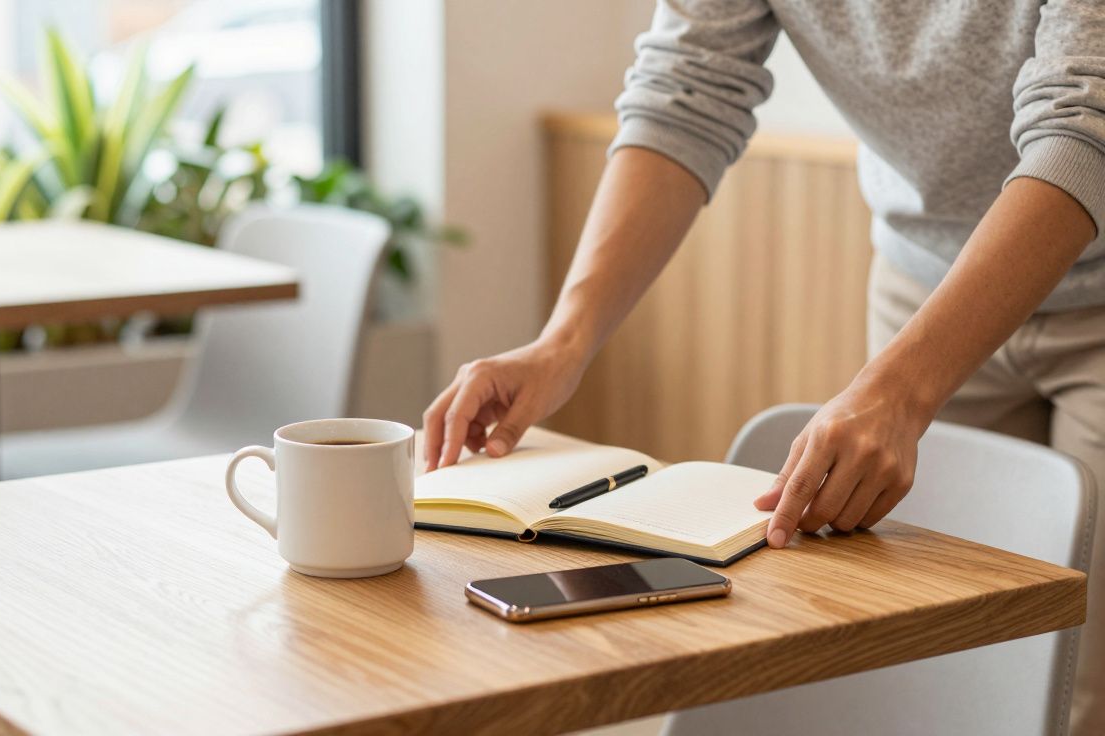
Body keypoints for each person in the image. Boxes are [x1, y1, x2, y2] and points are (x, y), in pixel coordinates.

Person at [420, 1, 1105, 731]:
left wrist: (901, 390)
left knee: (1080, 679)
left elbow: (1085, 122)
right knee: (941, 667)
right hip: (928, 278)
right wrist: (562, 341)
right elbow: (686, 90)